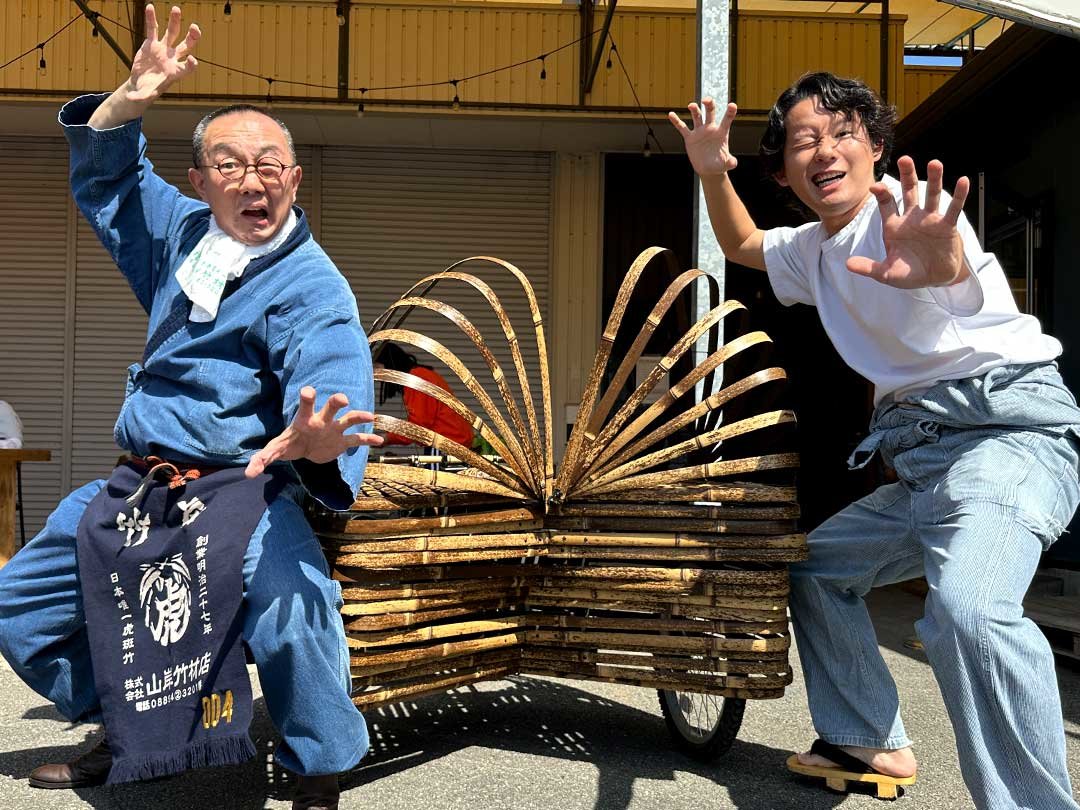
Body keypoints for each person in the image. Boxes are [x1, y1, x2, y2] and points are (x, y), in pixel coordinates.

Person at [0, 5, 383, 809]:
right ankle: (131, 723)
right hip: (142, 485)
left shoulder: (315, 285)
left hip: (242, 486)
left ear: (294, 179)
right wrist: (131, 98)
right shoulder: (182, 236)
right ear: (202, 180)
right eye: (232, 164)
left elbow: (334, 391)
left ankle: (321, 767)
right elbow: (110, 177)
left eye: (272, 164)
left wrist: (316, 444)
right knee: (20, 599)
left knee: (295, 605)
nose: (255, 179)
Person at [670, 72, 1080, 809]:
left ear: (877, 148)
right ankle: (868, 737)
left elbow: (952, 270)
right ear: (787, 171)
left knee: (970, 612)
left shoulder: (906, 217)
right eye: (804, 142)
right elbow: (741, 241)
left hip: (1003, 435)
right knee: (814, 570)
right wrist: (708, 169)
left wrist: (939, 260)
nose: (823, 151)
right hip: (921, 460)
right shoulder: (812, 249)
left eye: (841, 134)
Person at [375, 341, 475, 450]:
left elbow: (418, 428)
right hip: (453, 442)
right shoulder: (421, 375)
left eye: (378, 367)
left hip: (447, 445)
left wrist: (386, 438)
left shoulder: (417, 379)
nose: (378, 374)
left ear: (389, 364)